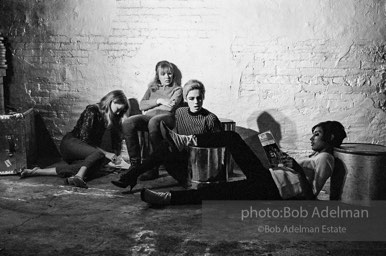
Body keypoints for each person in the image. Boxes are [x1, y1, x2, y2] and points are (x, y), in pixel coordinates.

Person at [140, 121, 347, 205]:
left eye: (317, 134)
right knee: (217, 192)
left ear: (329, 137)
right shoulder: (316, 157)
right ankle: (167, 197)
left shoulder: (326, 159)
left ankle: (184, 141)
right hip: (269, 181)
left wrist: (295, 168)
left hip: (273, 188)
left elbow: (311, 196)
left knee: (231, 139)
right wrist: (279, 158)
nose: (312, 138)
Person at [111, 79, 222, 189]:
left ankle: (132, 177)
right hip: (182, 162)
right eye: (191, 98)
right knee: (164, 146)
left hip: (200, 165)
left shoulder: (210, 119)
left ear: (203, 97)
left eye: (199, 98)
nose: (196, 102)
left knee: (165, 148)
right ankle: (132, 176)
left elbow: (220, 148)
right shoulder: (180, 112)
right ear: (186, 99)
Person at [19, 90, 129, 189]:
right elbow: (84, 139)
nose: (119, 113)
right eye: (119, 109)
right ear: (112, 101)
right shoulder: (92, 110)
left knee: (93, 168)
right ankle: (78, 176)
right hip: (70, 143)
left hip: (85, 149)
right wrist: (106, 153)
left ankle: (36, 172)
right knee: (99, 155)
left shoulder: (109, 117)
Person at [122, 60, 183, 181]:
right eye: (163, 74)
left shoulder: (177, 90)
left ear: (173, 75)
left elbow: (170, 107)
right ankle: (135, 164)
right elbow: (141, 106)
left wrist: (151, 106)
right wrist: (159, 101)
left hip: (166, 118)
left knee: (153, 122)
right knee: (128, 122)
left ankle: (153, 168)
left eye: (169, 73)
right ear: (158, 76)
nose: (167, 77)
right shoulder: (152, 88)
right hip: (149, 116)